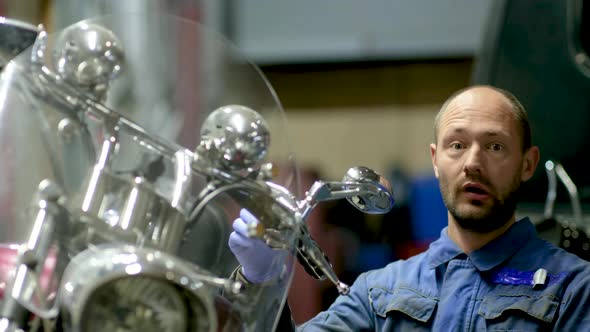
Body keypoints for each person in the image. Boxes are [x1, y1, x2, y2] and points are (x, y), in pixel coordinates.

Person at [229, 85, 590, 331]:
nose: (473, 163)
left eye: (495, 147)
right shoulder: (381, 292)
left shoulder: (572, 286)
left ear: (528, 164)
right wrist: (261, 281)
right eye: (457, 145)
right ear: (435, 160)